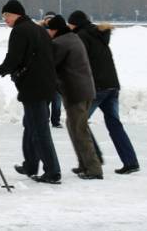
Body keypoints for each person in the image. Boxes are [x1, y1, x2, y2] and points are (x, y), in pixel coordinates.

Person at [0, 0, 61, 184]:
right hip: (45, 85)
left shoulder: (20, 30)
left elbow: (14, 57)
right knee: (31, 126)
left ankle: (53, 171)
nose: (5, 19)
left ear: (16, 14)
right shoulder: (38, 29)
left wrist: (2, 69)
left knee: (39, 129)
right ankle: (31, 165)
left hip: (34, 87)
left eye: (6, 15)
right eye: (3, 16)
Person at [67, 10, 140, 175]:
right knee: (115, 125)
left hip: (96, 88)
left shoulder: (81, 37)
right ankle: (131, 161)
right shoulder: (99, 35)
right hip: (112, 86)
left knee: (78, 122)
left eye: (70, 24)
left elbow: (78, 63)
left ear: (75, 24)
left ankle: (93, 159)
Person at [47, 15, 102, 180]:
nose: (47, 32)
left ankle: (94, 169)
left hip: (75, 91)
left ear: (54, 30)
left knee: (80, 130)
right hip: (85, 89)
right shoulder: (73, 38)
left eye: (49, 29)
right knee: (73, 126)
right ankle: (84, 164)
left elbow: (50, 63)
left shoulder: (60, 43)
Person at [40, 11, 63, 128]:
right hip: (46, 73)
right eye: (47, 19)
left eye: (51, 19)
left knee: (57, 101)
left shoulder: (59, 33)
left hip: (57, 74)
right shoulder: (40, 32)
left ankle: (56, 121)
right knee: (45, 100)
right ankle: (45, 120)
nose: (49, 21)